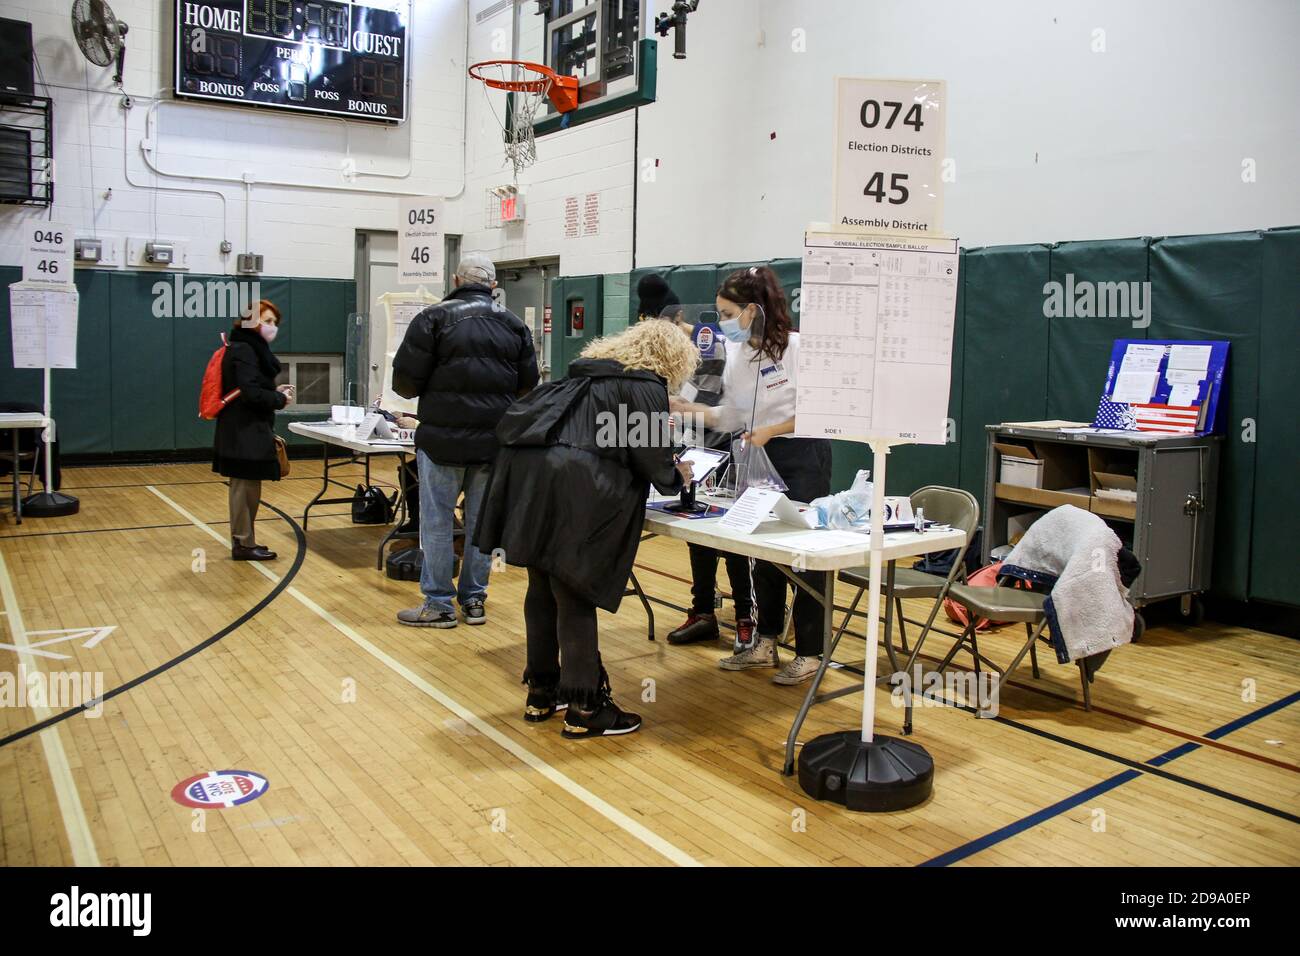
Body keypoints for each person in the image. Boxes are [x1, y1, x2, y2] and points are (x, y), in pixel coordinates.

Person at [475, 321, 698, 738]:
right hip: (576, 489)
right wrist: (677, 475)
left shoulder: (580, 376)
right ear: (671, 360)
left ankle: (543, 693)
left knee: (541, 586)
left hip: (528, 481)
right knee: (574, 590)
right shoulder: (645, 385)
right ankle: (585, 707)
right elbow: (650, 455)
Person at [671, 266, 832, 685]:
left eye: (727, 313)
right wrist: (687, 409)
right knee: (762, 549)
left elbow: (821, 410)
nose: (722, 321)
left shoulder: (798, 349)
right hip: (756, 454)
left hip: (802, 455)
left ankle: (811, 651)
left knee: (804, 553)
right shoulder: (740, 355)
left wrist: (772, 431)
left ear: (752, 311)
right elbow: (733, 413)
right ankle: (766, 641)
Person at [391, 254, 539, 628]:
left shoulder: (432, 319)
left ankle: (439, 604)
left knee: (437, 523)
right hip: (493, 443)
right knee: (481, 524)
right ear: (493, 285)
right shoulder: (515, 324)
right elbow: (528, 384)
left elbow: (404, 383)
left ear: (456, 279)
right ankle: (474, 600)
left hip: (441, 441)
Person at [637, 276, 756, 648]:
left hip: (724, 451)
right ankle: (703, 612)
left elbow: (691, 402)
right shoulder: (666, 348)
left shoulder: (708, 343)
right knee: (697, 537)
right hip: (691, 447)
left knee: (733, 538)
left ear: (674, 319)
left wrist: (667, 404)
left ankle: (744, 617)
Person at [213, 299, 294, 561]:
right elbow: (249, 393)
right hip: (243, 429)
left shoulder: (246, 348)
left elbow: (251, 387)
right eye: (267, 321)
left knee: (249, 486)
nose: (272, 327)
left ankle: (246, 541)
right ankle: (243, 543)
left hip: (246, 428)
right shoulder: (245, 350)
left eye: (274, 322)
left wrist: (273, 392)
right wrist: (279, 399)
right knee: (243, 488)